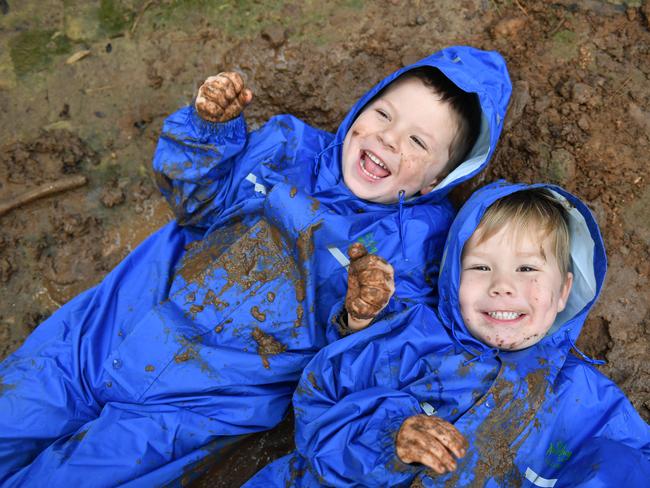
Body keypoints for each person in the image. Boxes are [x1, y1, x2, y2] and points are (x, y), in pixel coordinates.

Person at [0, 47, 512, 487]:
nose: (388, 139)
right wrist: (208, 132)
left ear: (437, 181)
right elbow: (195, 202)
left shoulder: (411, 253)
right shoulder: (287, 146)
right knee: (12, 415)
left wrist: (362, 317)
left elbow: (370, 365)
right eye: (383, 114)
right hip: (102, 333)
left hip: (193, 405)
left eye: (418, 142)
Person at [245, 182, 650, 487]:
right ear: (452, 277)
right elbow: (316, 410)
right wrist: (391, 439)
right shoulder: (409, 338)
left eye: (527, 269)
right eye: (481, 268)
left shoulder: (585, 401)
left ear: (564, 291)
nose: (503, 286)